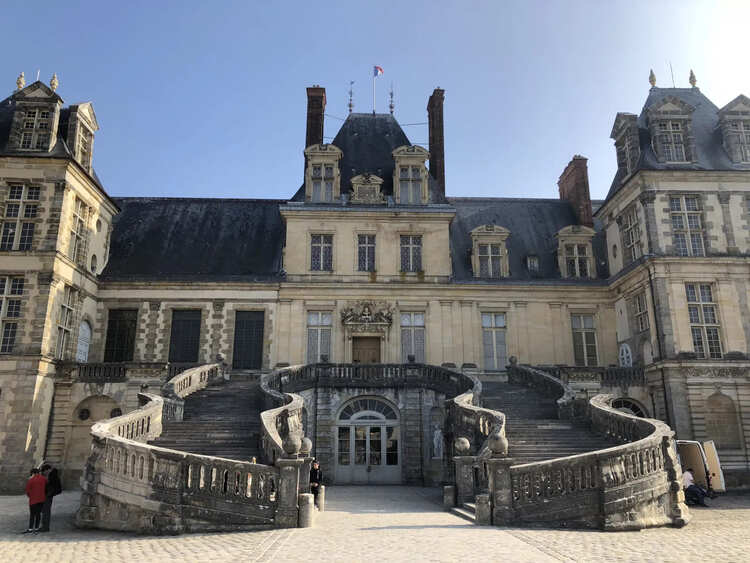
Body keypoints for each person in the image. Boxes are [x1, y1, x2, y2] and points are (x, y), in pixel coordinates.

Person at [23, 467, 47, 534]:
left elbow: (27, 491)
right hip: (42, 499)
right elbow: (47, 487)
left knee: (32, 515)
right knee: (38, 514)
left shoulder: (31, 480)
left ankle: (30, 529)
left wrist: (30, 496)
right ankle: (36, 528)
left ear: (32, 473)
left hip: (33, 500)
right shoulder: (44, 479)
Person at [39, 463, 62, 532]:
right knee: (45, 511)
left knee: (46, 511)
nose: (44, 473)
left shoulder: (52, 476)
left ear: (47, 470)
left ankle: (45, 527)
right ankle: (44, 526)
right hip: (47, 495)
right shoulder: (52, 475)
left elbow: (52, 486)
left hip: (48, 495)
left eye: (44, 471)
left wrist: (50, 493)